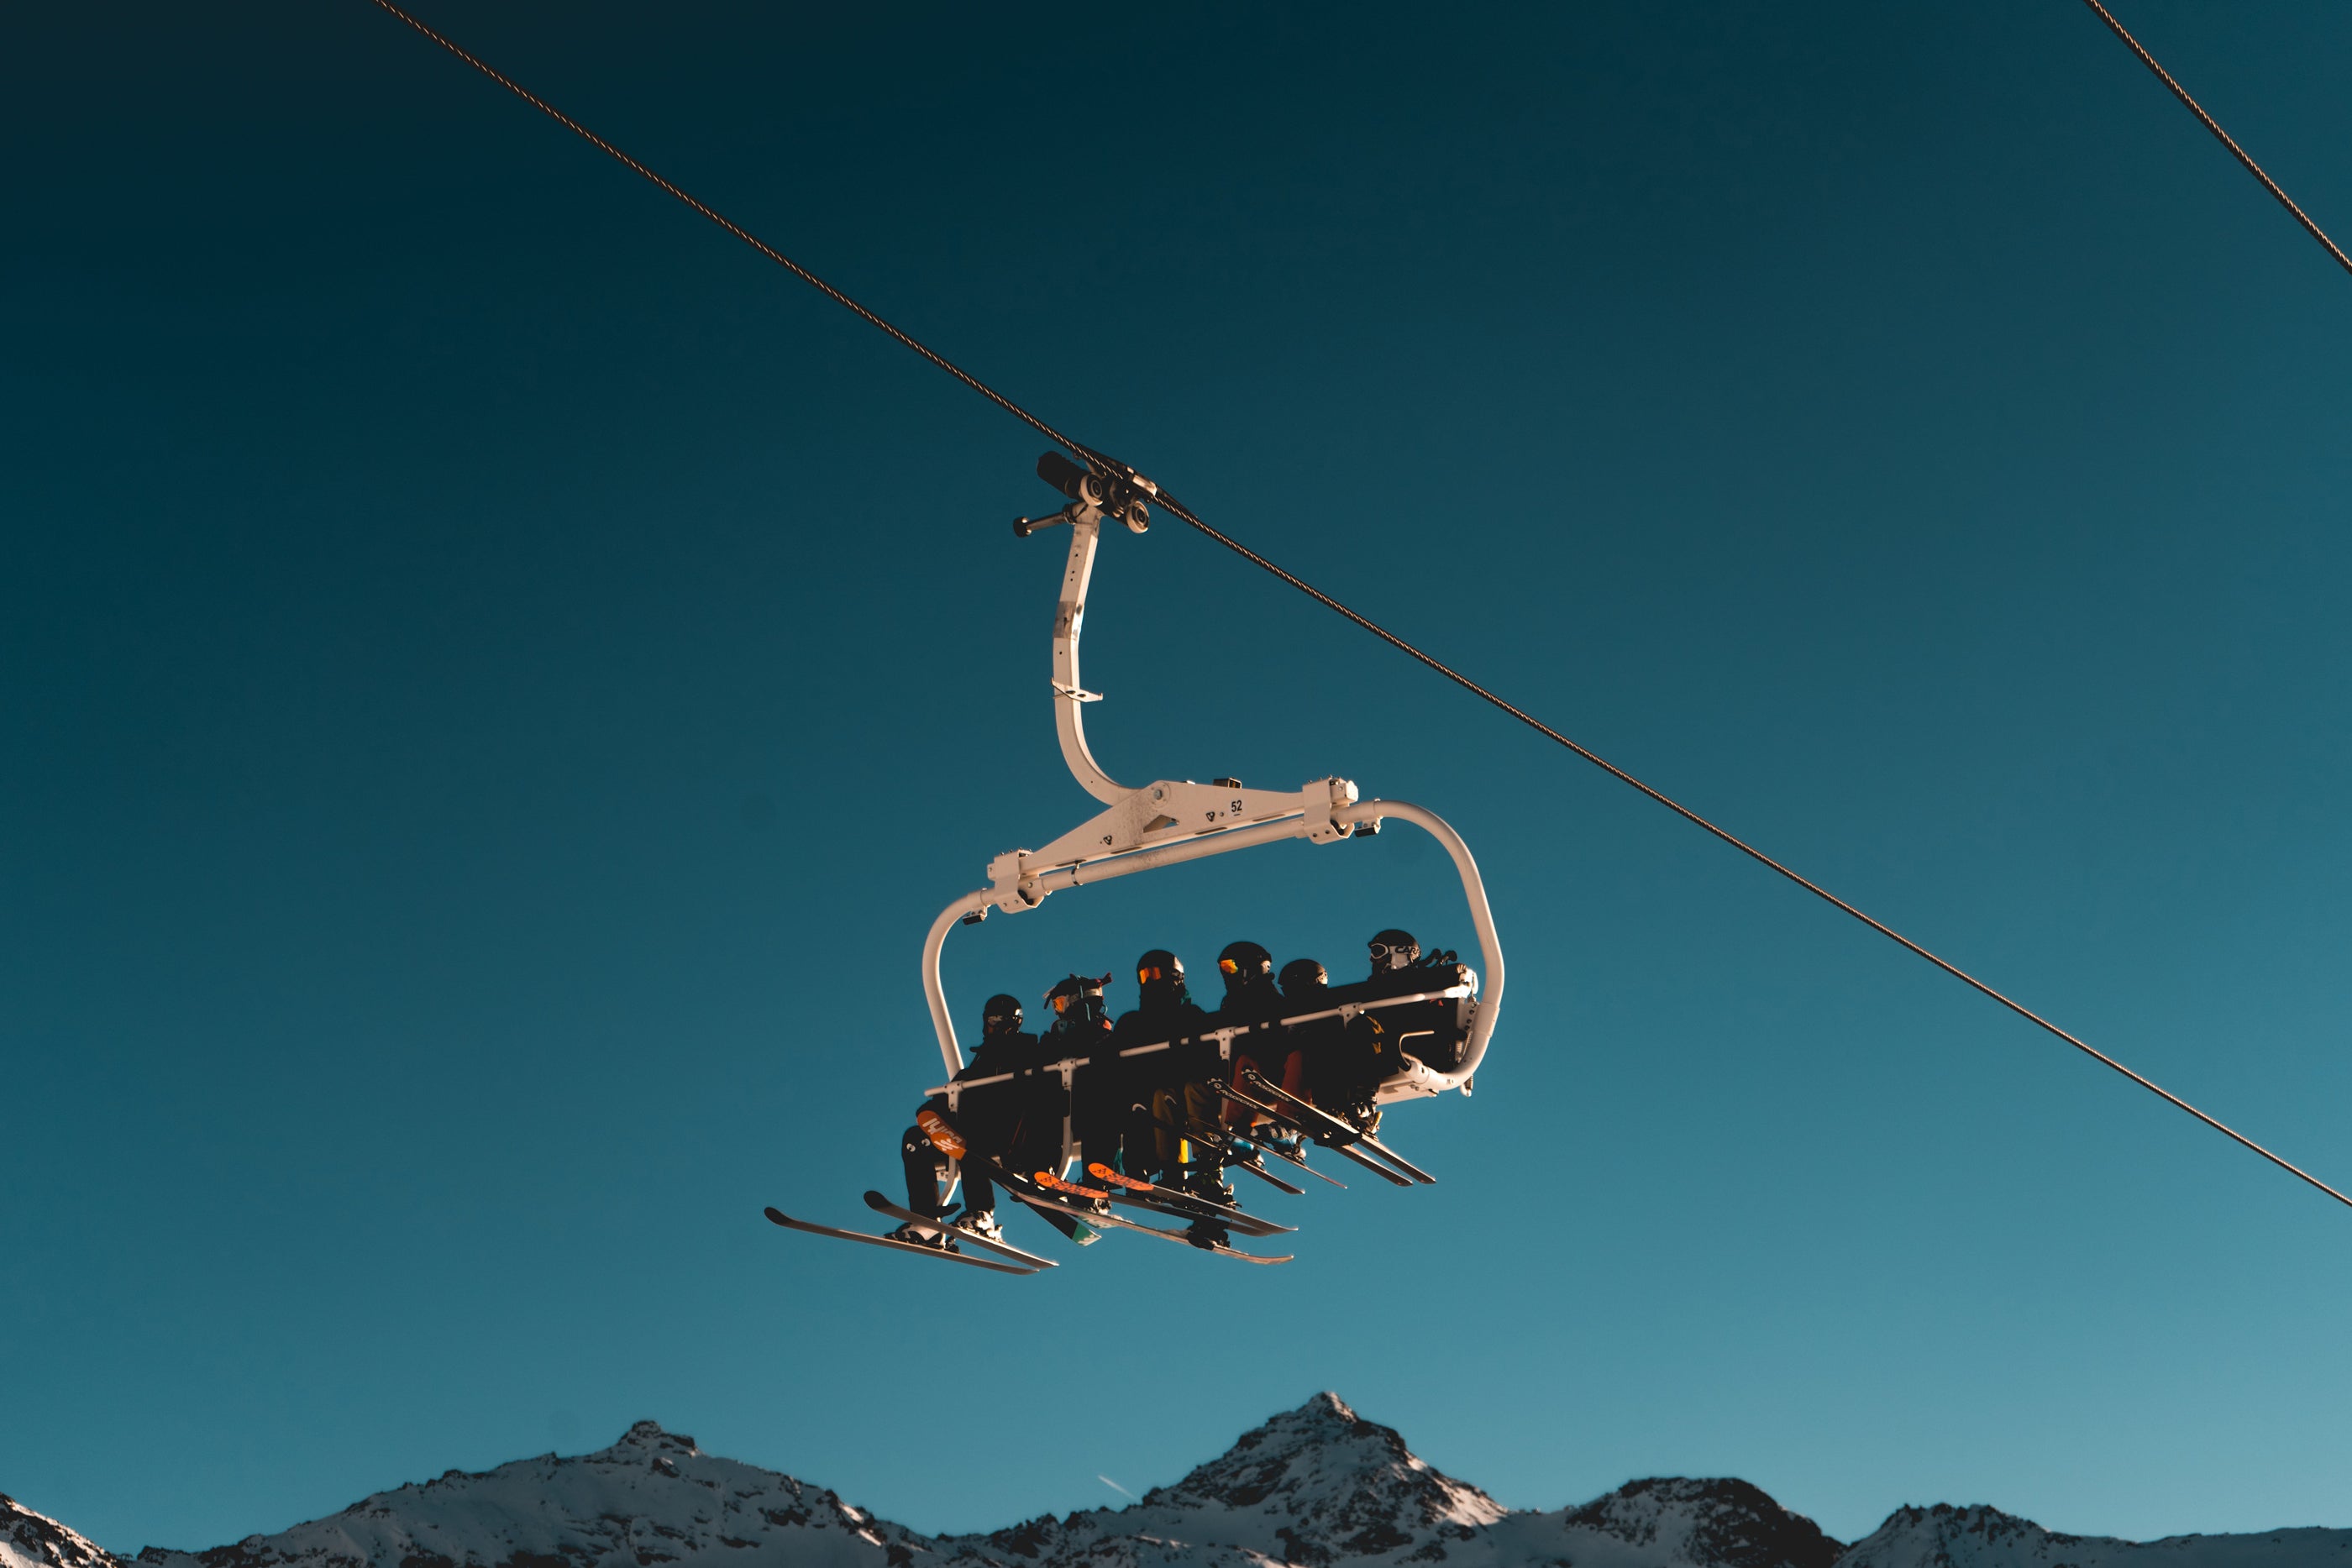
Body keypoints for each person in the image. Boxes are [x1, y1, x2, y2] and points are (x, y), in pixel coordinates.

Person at [891, 993, 1042, 1247]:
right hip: (976, 1126)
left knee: (971, 1134)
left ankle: (982, 1213)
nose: (990, 1026)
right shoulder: (982, 1059)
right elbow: (962, 1085)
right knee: (915, 1140)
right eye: (988, 1020)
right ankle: (927, 1220)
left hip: (1007, 1132)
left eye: (996, 1019)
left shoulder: (1027, 1052)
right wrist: (933, 1108)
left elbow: (1030, 1092)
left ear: (1012, 1022)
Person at [1110, 948, 1211, 1192]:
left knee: (1171, 1097)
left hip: (1184, 1085)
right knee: (1142, 1105)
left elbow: (1205, 1055)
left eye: (1155, 974)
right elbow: (1115, 1052)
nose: (1150, 981)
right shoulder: (1133, 1022)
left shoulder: (1191, 1015)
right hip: (1150, 1090)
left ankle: (1202, 1169)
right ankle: (1150, 1171)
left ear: (1174, 977)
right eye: (1144, 976)